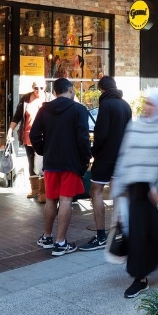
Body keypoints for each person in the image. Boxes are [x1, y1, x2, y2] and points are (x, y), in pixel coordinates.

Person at [111, 89, 158, 298]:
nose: (147, 107)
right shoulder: (136, 126)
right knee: (138, 234)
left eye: (152, 103)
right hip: (138, 189)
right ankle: (140, 278)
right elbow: (126, 155)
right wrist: (120, 183)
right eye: (146, 102)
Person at [29, 78, 92, 256]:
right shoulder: (79, 109)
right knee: (65, 200)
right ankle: (60, 242)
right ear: (70, 90)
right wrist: (85, 158)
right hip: (70, 162)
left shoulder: (44, 109)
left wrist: (44, 150)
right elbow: (83, 138)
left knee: (51, 199)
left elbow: (34, 135)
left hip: (51, 162)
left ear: (55, 92)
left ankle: (47, 237)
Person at [79, 76, 132, 252]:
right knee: (118, 192)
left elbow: (101, 134)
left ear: (101, 89)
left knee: (95, 191)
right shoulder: (125, 105)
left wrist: (94, 151)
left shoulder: (106, 105)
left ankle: (101, 235)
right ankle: (119, 231)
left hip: (106, 156)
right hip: (122, 156)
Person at [8, 78, 52, 199]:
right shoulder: (26, 99)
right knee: (31, 161)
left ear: (45, 87)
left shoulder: (49, 98)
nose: (38, 90)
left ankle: (43, 191)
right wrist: (10, 131)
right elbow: (17, 116)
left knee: (42, 163)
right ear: (32, 88)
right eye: (36, 88)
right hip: (28, 135)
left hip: (44, 136)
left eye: (41, 88)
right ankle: (34, 189)